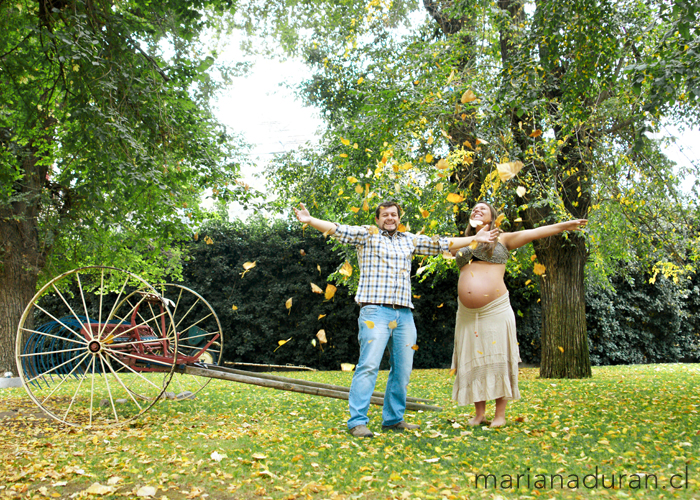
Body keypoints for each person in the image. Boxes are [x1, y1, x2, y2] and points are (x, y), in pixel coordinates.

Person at [294, 201, 499, 438]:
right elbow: (338, 229)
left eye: (394, 214)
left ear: (399, 218)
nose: (389, 218)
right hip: (375, 312)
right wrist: (310, 221)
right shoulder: (366, 235)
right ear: (378, 219)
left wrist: (477, 239)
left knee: (402, 370)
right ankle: (357, 422)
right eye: (385, 215)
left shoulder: (408, 240)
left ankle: (393, 419)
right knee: (369, 366)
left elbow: (442, 243)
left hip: (403, 314)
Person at [451, 201, 587, 428]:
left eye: (483, 208)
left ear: (493, 217)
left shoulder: (503, 239)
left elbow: (534, 232)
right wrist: (476, 240)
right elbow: (447, 249)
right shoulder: (462, 242)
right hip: (466, 312)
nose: (477, 210)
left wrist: (564, 225)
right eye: (474, 208)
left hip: (495, 308)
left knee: (497, 356)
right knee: (473, 358)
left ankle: (500, 415)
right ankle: (479, 413)